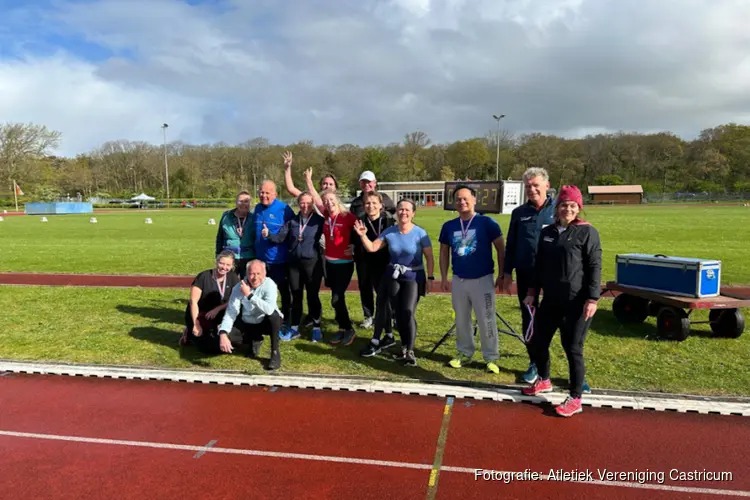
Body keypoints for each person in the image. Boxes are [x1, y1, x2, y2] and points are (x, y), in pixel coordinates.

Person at [521, 185, 602, 418]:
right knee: (538, 341)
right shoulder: (548, 232)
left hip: (577, 302)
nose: (568, 209)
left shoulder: (587, 232)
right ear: (557, 208)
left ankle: (576, 397)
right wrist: (532, 291)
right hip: (551, 300)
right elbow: (539, 266)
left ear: (579, 208)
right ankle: (544, 380)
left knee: (573, 348)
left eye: (572, 206)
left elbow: (594, 266)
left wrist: (592, 299)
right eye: (564, 205)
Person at [354, 199, 434, 366]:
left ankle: (409, 350)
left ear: (413, 213)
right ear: (396, 212)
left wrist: (431, 277)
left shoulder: (420, 233)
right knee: (397, 312)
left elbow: (429, 256)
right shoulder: (390, 231)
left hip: (413, 276)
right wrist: (362, 235)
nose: (403, 213)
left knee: (407, 312)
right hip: (393, 275)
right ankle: (403, 347)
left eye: (406, 210)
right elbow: (373, 248)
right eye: (400, 209)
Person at [438, 185, 505, 374]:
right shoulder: (449, 226)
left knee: (487, 319)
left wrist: (501, 274)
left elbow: (501, 248)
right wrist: (444, 277)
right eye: (458, 199)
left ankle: (491, 357)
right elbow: (444, 252)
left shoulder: (487, 223)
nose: (462, 202)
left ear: (474, 200)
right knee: (461, 319)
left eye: (466, 198)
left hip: (482, 279)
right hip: (459, 279)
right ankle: (464, 352)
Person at [501, 168, 555, 383]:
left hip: (553, 275)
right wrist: (506, 272)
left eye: (535, 185)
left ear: (546, 186)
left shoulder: (558, 210)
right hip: (526, 272)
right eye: (528, 186)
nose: (532, 190)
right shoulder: (519, 213)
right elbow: (511, 244)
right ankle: (534, 362)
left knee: (556, 319)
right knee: (529, 318)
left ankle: (569, 370)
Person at [305, 172, 359, 345]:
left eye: (331, 200)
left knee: (336, 298)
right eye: (326, 201)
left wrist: (356, 246)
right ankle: (342, 329)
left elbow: (361, 231)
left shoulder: (347, 217)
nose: (328, 203)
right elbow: (315, 197)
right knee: (337, 299)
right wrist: (308, 180)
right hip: (330, 263)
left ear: (337, 200)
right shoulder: (327, 216)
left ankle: (349, 329)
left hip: (344, 264)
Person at [263, 191, 325, 342]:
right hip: (294, 265)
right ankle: (295, 327)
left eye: (308, 203)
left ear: (312, 204)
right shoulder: (292, 221)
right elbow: (280, 237)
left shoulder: (319, 221)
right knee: (296, 296)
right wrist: (268, 234)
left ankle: (316, 327)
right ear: (298, 204)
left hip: (312, 264)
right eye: (302, 203)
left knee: (312, 296)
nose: (305, 206)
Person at [349, 170, 397, 329]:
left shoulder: (385, 206)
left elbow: (394, 217)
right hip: (363, 255)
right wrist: (353, 245)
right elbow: (352, 229)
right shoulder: (356, 204)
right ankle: (369, 315)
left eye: (369, 182)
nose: (366, 185)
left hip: (384, 256)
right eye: (363, 182)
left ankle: (391, 315)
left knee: (385, 287)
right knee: (365, 286)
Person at [217, 260, 284, 370]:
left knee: (274, 316)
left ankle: (275, 353)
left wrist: (249, 295)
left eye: (258, 274)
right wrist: (223, 333)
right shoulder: (238, 287)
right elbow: (231, 312)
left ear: (265, 274)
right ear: (246, 274)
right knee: (226, 336)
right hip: (248, 322)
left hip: (265, 321)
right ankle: (254, 340)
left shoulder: (270, 285)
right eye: (252, 274)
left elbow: (269, 309)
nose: (255, 278)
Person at [353, 192, 397, 357]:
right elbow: (355, 243)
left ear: (381, 205)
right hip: (366, 265)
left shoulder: (389, 222)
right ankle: (389, 335)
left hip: (385, 266)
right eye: (367, 203)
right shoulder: (360, 222)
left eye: (373, 203)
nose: (370, 206)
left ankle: (383, 337)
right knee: (380, 302)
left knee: (383, 302)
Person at [253, 180, 295, 334]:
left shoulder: (284, 209)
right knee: (261, 293)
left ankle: (286, 321)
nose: (264, 195)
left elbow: (293, 231)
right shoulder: (257, 208)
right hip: (261, 262)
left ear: (275, 194)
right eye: (261, 192)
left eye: (267, 192)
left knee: (284, 293)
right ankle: (262, 320)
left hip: (279, 261)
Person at [180, 250, 241, 347]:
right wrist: (196, 324)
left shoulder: (233, 278)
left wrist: (217, 309)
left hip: (220, 313)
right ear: (216, 261)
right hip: (201, 314)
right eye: (221, 263)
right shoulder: (203, 276)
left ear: (232, 265)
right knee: (204, 346)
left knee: (233, 341)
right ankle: (189, 332)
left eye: (228, 265)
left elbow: (235, 300)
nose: (224, 267)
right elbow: (193, 301)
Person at [282, 151, 338, 216]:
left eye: (331, 184)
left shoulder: (338, 204)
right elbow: (291, 188)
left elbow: (319, 204)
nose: (327, 186)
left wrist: (308, 181)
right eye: (325, 183)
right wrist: (287, 168)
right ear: (320, 186)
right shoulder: (311, 199)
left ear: (335, 187)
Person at [215, 191, 255, 278]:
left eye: (246, 201)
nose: (243, 204)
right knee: (228, 285)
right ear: (236, 202)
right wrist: (218, 255)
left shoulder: (255, 218)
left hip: (249, 257)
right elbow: (220, 237)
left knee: (248, 285)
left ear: (250, 203)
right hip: (229, 257)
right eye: (240, 201)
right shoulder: (226, 216)